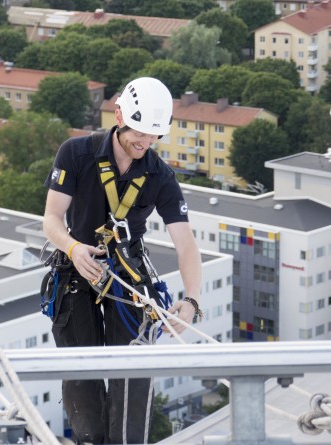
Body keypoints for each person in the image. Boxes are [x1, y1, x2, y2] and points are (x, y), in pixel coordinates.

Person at [42, 77, 202, 444]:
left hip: (128, 275)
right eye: (139, 133)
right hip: (76, 269)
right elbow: (51, 218)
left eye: (153, 136)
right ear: (118, 116)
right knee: (81, 382)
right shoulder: (76, 153)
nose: (144, 143)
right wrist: (72, 248)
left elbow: (186, 243)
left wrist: (192, 300)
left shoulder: (159, 175)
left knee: (131, 382)